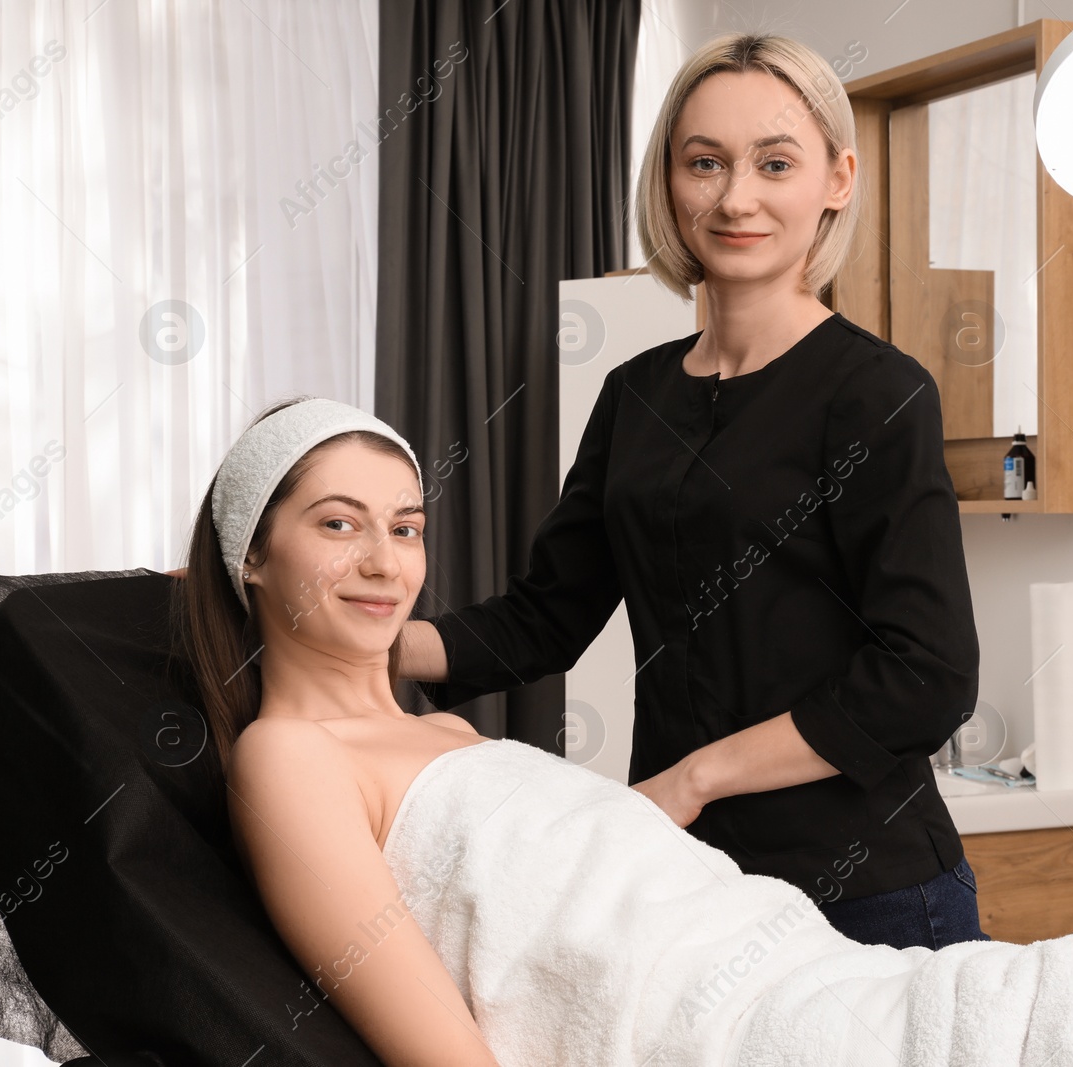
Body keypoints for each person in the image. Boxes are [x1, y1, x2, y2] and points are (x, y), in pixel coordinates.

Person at [186, 397, 1073, 1067]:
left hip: (817, 969)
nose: (384, 559)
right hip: (733, 1034)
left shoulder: (427, 729)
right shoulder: (286, 758)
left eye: (408, 526)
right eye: (337, 523)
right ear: (253, 553)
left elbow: (923, 671)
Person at [397, 30, 989, 953]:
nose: (735, 197)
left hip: (868, 894)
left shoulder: (877, 392)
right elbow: (547, 617)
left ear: (836, 178)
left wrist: (695, 777)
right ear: (669, 181)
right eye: (704, 162)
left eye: (774, 162)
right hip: (692, 888)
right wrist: (371, 643)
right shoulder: (635, 394)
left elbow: (928, 677)